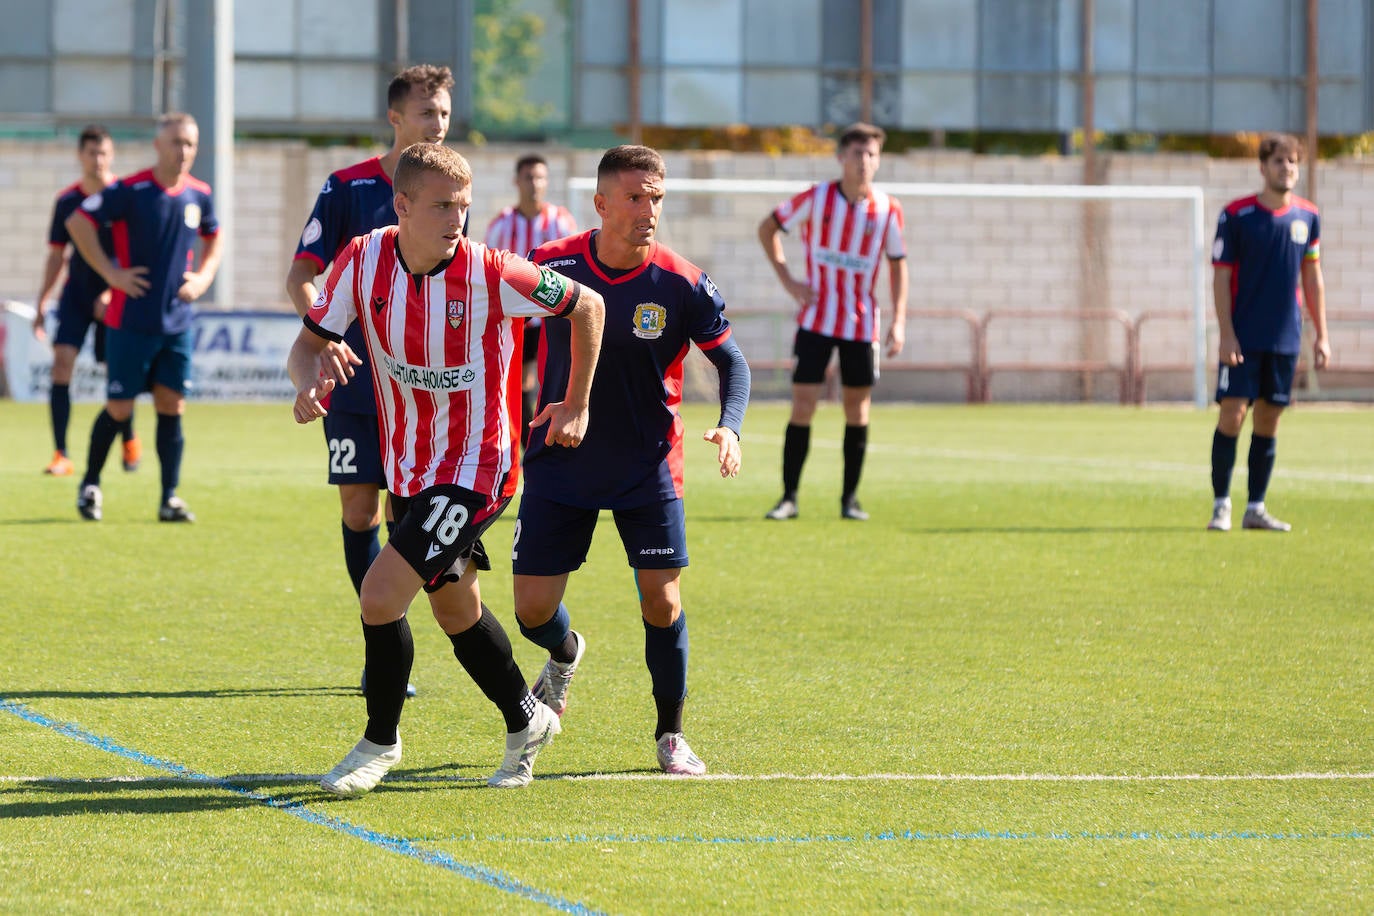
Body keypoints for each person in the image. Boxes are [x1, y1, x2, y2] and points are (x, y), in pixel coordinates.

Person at [288, 142, 605, 796]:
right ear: (402, 206)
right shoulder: (362, 259)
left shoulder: (494, 272)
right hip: (409, 469)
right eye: (441, 206)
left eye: (462, 205)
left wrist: (575, 402)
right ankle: (527, 719)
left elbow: (589, 307)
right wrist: (306, 383)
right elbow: (307, 345)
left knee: (379, 597)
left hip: (476, 469)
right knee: (457, 611)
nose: (456, 218)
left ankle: (380, 742)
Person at [512, 144, 751, 777]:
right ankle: (564, 654)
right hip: (560, 459)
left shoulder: (681, 282)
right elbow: (502, 336)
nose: (649, 210)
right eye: (635, 197)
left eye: (657, 198)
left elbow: (733, 363)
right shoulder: (552, 263)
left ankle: (670, 735)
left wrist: (730, 427)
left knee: (662, 602)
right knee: (531, 610)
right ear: (601, 203)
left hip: (648, 466)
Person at [286, 63, 455, 696]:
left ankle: (397, 630)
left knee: (404, 515)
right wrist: (323, 338)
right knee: (359, 512)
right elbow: (302, 274)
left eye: (443, 113)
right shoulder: (348, 187)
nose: (436, 125)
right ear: (395, 118)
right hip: (356, 383)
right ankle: (379, 648)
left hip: (425, 388)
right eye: (425, 113)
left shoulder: (453, 186)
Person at [65, 112, 221, 523]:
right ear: (158, 145)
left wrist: (203, 278)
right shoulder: (129, 190)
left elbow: (214, 236)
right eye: (176, 142)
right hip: (130, 320)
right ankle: (91, 483)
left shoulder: (199, 194)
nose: (184, 151)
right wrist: (111, 273)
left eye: (190, 144)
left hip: (176, 323)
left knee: (173, 404)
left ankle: (169, 496)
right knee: (119, 407)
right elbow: (78, 222)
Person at [758, 122, 908, 521]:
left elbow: (897, 265)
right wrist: (789, 279)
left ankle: (850, 500)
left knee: (857, 409)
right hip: (816, 320)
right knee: (803, 404)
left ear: (879, 160)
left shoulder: (888, 208)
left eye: (871, 154)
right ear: (842, 157)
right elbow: (768, 227)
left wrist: (899, 320)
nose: (864, 161)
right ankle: (788, 497)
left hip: (861, 324)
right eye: (857, 153)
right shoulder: (817, 198)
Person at [1207, 133, 1330, 532]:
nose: (1287, 168)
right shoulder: (1237, 215)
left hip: (1284, 338)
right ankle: (1221, 504)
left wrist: (1321, 335)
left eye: (1293, 162)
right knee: (1232, 414)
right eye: (1279, 161)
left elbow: (1312, 278)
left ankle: (1255, 507)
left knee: (1269, 420)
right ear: (1263, 167)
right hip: (1242, 337)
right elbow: (1221, 279)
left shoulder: (1307, 216)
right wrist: (1226, 334)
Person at [34, 125, 140, 477]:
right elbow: (55, 256)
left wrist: (112, 289)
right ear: (80, 155)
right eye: (92, 152)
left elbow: (133, 252)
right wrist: (42, 301)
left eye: (104, 153)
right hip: (76, 296)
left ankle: (129, 438)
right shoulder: (67, 201)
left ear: (112, 156)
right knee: (61, 364)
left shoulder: (123, 198)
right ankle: (61, 453)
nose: (98, 159)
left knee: (117, 369)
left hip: (116, 296)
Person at [483, 153, 578, 447]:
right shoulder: (502, 224)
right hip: (518, 318)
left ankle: (556, 437)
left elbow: (574, 266)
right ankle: (526, 443)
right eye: (528, 177)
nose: (534, 184)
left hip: (554, 316)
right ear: (517, 181)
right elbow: (489, 269)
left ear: (546, 182)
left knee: (557, 378)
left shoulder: (561, 221)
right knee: (519, 382)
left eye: (539, 177)